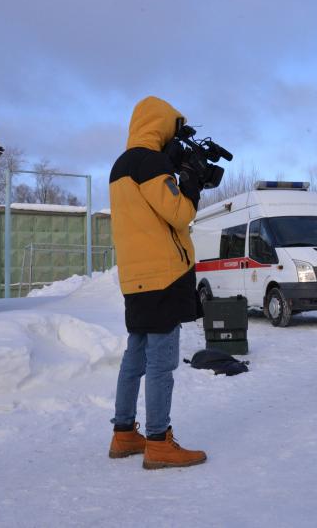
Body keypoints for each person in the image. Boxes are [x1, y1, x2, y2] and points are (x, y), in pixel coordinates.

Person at [107, 96, 206, 470]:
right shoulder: (150, 162)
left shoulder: (120, 166)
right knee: (161, 363)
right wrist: (191, 182)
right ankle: (159, 441)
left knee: (135, 357)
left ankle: (123, 433)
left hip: (135, 278)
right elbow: (179, 214)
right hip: (164, 275)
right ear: (162, 125)